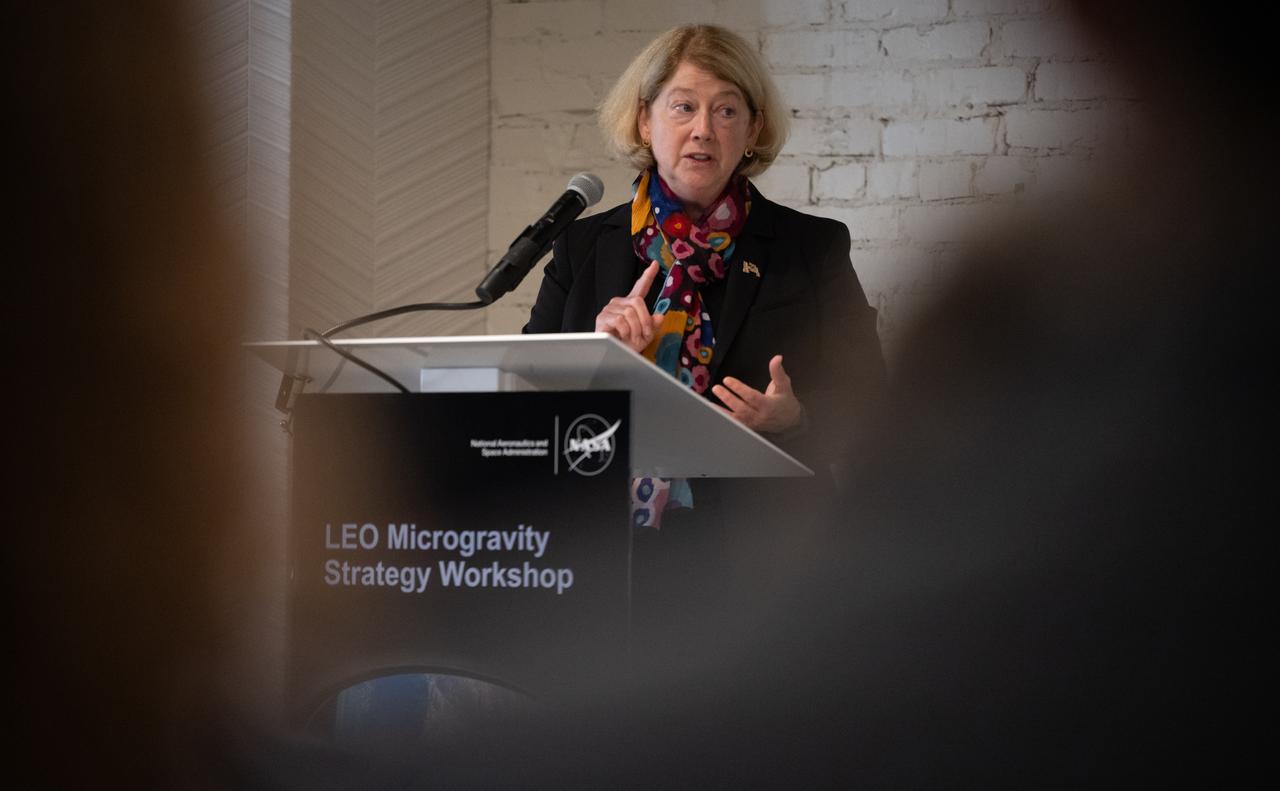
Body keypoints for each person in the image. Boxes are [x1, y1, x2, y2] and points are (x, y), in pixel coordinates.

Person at [522, 26, 885, 648]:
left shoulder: (810, 247)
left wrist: (796, 418)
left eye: (726, 110)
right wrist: (594, 353)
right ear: (644, 120)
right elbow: (528, 399)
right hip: (600, 547)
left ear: (752, 128)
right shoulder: (582, 247)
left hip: (761, 559)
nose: (703, 129)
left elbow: (875, 407)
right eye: (683, 106)